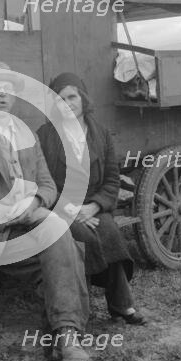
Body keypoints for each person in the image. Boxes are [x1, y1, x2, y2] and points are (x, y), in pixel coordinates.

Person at [0, 62, 105, 361]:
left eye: (9, 90)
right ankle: (68, 342)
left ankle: (64, 340)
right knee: (65, 243)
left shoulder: (26, 135)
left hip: (31, 220)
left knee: (66, 237)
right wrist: (14, 211)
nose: (3, 96)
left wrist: (34, 202)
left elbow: (47, 186)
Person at [37, 72, 146, 325]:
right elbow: (42, 181)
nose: (67, 104)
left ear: (83, 98)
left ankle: (121, 305)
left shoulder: (101, 134)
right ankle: (76, 312)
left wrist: (95, 206)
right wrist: (72, 210)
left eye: (72, 97)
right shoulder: (45, 135)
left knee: (109, 230)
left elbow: (112, 179)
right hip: (60, 207)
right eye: (60, 99)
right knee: (82, 237)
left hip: (94, 205)